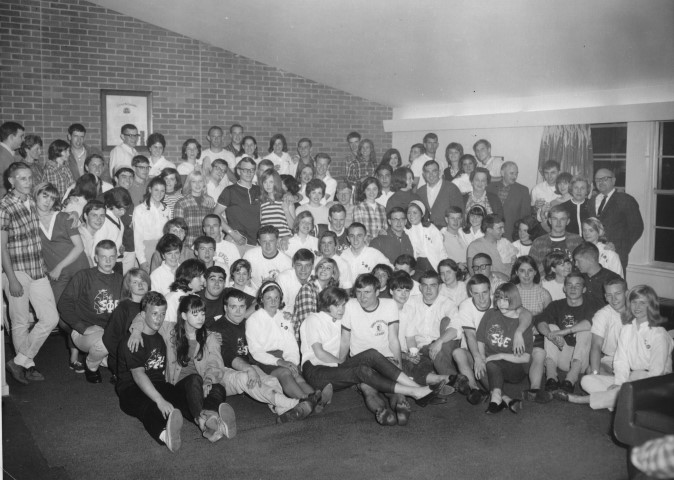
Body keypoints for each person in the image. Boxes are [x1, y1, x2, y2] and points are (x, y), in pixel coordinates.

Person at [301, 286, 442, 426]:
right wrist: (342, 363)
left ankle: (417, 389)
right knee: (361, 370)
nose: (341, 309)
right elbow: (319, 352)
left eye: (343, 305)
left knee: (371, 354)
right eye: (336, 305)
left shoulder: (339, 321)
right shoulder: (313, 319)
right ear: (326, 305)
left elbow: (362, 307)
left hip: (335, 369)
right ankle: (415, 391)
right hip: (316, 371)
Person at [341, 275, 443, 425]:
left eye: (367, 292)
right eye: (359, 292)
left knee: (395, 388)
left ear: (377, 292)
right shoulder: (350, 305)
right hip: (362, 362)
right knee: (368, 389)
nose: (362, 297)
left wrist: (398, 368)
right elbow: (345, 340)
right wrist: (340, 366)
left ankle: (400, 407)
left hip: (387, 359)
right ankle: (382, 411)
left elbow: (393, 339)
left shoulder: (389, 305)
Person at [557, 285, 673, 410]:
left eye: (642, 303)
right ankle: (623, 402)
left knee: (636, 377)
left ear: (651, 305)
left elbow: (657, 373)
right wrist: (619, 383)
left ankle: (583, 400)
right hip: (630, 379)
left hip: (655, 384)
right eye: (634, 302)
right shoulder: (627, 328)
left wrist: (626, 384)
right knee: (587, 380)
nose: (637, 307)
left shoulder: (658, 334)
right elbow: (621, 360)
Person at [208, 288, 315, 423]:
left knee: (272, 381)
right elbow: (228, 356)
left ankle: (284, 411)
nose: (238, 311)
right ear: (225, 308)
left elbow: (267, 320)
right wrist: (249, 369)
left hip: (248, 365)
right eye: (233, 307)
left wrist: (284, 319)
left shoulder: (245, 323)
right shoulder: (218, 329)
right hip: (226, 373)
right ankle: (297, 403)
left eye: (242, 307)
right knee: (250, 378)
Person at [2, 163, 59, 384]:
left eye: (29, 178)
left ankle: (19, 361)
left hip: (37, 269)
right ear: (11, 181)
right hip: (16, 271)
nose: (28, 182)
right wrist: (12, 278)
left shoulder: (32, 202)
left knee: (51, 318)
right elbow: (1, 247)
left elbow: (53, 211)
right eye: (22, 178)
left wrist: (73, 213)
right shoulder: (4, 207)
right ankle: (27, 366)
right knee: (19, 322)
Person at [115, 292, 187, 452]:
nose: (159, 319)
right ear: (142, 315)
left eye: (162, 314)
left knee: (180, 395)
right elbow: (138, 375)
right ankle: (165, 435)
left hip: (157, 383)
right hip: (130, 389)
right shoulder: (132, 341)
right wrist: (160, 400)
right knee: (151, 405)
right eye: (154, 314)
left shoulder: (160, 337)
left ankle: (206, 420)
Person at [246, 281, 331, 404]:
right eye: (268, 298)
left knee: (297, 376)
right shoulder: (253, 320)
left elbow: (290, 344)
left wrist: (291, 361)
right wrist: (280, 362)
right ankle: (306, 400)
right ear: (261, 299)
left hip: (283, 357)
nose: (273, 301)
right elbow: (256, 351)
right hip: (262, 360)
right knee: (285, 372)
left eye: (276, 298)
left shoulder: (284, 318)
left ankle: (318, 399)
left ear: (280, 299)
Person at [35, 182, 90, 371]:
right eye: (44, 196)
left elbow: (79, 247)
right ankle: (85, 341)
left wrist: (58, 267)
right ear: (36, 196)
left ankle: (75, 357)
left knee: (81, 312)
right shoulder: (30, 221)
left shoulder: (65, 217)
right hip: (56, 276)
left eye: (52, 198)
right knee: (61, 316)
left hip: (77, 268)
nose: (48, 201)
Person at [59, 239, 123, 383]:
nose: (108, 261)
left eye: (112, 257)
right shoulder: (84, 276)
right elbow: (64, 304)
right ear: (96, 258)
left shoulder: (121, 280)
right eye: (103, 257)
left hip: (109, 331)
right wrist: (82, 327)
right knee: (104, 343)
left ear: (116, 257)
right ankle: (91, 366)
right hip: (85, 331)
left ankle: (109, 362)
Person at [534, 272, 604, 394]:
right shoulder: (556, 305)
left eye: (577, 285)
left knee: (585, 331)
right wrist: (551, 335)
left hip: (583, 359)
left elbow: (589, 324)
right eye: (569, 285)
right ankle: (551, 377)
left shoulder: (592, 305)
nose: (573, 288)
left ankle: (571, 379)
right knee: (551, 327)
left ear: (584, 289)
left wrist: (563, 332)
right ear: (564, 288)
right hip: (562, 355)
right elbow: (540, 322)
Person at [476, 283, 532, 414]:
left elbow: (526, 357)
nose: (501, 303)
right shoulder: (490, 314)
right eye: (499, 299)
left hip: (514, 368)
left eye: (506, 299)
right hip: (491, 364)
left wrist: (499, 356)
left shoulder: (522, 321)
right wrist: (482, 357)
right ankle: (502, 398)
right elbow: (480, 339)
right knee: (480, 367)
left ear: (514, 299)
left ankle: (498, 397)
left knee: (491, 363)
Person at [405, 271, 462, 384]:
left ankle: (454, 383)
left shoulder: (447, 303)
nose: (428, 289)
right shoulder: (411, 302)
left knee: (438, 353)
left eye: (433, 285)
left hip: (442, 345)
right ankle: (453, 381)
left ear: (439, 287)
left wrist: (439, 341)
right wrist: (413, 352)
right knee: (411, 366)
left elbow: (456, 328)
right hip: (420, 349)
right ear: (420, 287)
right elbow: (409, 334)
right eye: (425, 285)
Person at [589, 168, 644, 273]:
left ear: (613, 180)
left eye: (605, 179)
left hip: (616, 253)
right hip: (593, 253)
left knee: (615, 282)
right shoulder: (592, 201)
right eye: (597, 180)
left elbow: (637, 228)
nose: (600, 182)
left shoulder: (626, 200)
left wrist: (620, 248)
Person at [102, 268, 150, 380]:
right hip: (125, 357)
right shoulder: (123, 308)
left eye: (143, 281)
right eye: (135, 282)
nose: (140, 285)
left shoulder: (152, 305)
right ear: (128, 287)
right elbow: (109, 338)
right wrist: (122, 358)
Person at [452, 274, 492, 405]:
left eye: (484, 292)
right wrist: (478, 358)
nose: (481, 298)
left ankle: (495, 390)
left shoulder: (498, 303)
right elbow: (471, 335)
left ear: (490, 290)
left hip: (493, 351)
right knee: (458, 353)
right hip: (473, 350)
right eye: (476, 293)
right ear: (470, 293)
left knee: (493, 386)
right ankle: (474, 389)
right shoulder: (465, 305)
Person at [217, 156, 262, 254]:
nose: (249, 173)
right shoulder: (229, 190)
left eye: (252, 170)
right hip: (236, 241)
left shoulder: (259, 190)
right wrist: (232, 233)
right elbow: (216, 214)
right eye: (245, 170)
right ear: (238, 171)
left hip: (256, 243)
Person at [588, 279, 630, 376]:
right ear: (605, 297)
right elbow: (596, 345)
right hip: (611, 360)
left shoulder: (637, 310)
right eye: (609, 295)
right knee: (591, 370)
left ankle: (619, 382)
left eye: (618, 293)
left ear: (626, 293)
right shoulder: (602, 315)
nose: (614, 299)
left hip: (634, 359)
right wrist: (595, 375)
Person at [529, 204, 583, 276]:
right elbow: (531, 268)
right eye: (555, 219)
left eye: (562, 219)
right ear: (550, 221)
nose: (558, 223)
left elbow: (583, 266)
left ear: (568, 221)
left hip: (571, 280)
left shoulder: (577, 240)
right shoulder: (538, 242)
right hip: (547, 280)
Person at [292, 257, 340, 335]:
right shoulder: (307, 289)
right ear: (317, 270)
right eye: (321, 266)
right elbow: (308, 324)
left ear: (333, 274)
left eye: (328, 268)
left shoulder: (331, 292)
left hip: (324, 334)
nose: (323, 269)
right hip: (307, 337)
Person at [133, 177, 170, 272]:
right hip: (147, 249)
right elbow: (137, 237)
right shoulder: (140, 210)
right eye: (156, 190)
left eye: (162, 191)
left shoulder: (167, 209)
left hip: (163, 249)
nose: (159, 193)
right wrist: (142, 260)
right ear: (150, 190)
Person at [486, 161, 531, 240]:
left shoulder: (523, 190)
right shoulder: (489, 187)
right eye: (511, 173)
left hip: (511, 235)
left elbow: (525, 217)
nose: (515, 176)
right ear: (502, 173)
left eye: (516, 173)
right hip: (491, 234)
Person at [276, 248, 316, 336]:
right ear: (293, 265)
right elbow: (278, 306)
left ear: (313, 266)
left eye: (307, 265)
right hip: (287, 320)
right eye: (299, 265)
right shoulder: (283, 278)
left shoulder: (316, 279)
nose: (303, 269)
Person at [416, 160, 463, 230]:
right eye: (428, 172)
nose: (431, 175)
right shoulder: (420, 192)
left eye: (434, 171)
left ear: (439, 172)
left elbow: (460, 214)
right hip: (425, 231)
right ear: (424, 175)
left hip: (446, 231)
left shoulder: (451, 188)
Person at [173, 171, 216, 247]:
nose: (197, 184)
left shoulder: (209, 202)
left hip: (206, 244)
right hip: (188, 244)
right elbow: (178, 229)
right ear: (189, 184)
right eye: (194, 182)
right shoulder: (181, 203)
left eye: (200, 181)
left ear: (204, 183)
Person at [405, 201, 447, 276]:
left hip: (433, 262)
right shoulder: (406, 230)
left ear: (422, 214)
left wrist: (444, 267)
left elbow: (441, 249)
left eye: (415, 213)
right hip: (416, 264)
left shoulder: (431, 228)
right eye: (409, 213)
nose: (411, 216)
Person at [94, 187, 130, 272]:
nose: (123, 213)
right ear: (111, 204)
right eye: (120, 209)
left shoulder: (116, 217)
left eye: (125, 209)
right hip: (106, 264)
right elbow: (95, 249)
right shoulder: (104, 222)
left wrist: (120, 246)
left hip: (116, 261)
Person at [259, 168, 294, 241]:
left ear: (277, 182)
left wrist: (286, 210)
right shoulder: (261, 203)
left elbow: (293, 227)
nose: (268, 185)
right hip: (269, 242)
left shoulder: (286, 200)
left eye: (271, 182)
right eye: (265, 182)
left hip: (284, 242)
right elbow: (261, 227)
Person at [353, 176, 387, 242]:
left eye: (374, 189)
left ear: (378, 190)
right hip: (366, 244)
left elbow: (385, 228)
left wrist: (383, 233)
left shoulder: (382, 208)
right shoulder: (358, 208)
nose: (372, 192)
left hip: (381, 244)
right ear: (364, 191)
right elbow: (359, 231)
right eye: (368, 189)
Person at [78, 200, 106, 268]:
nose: (99, 219)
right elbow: (89, 264)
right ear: (85, 216)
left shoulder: (100, 232)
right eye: (94, 215)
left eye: (102, 216)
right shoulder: (80, 236)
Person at [1, 122, 25, 196]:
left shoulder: (7, 154)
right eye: (21, 136)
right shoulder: (2, 155)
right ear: (11, 137)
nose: (23, 139)